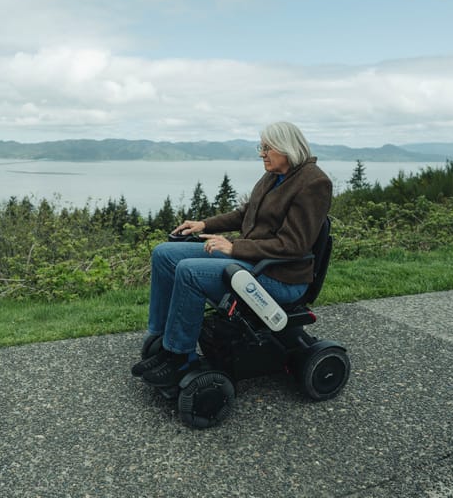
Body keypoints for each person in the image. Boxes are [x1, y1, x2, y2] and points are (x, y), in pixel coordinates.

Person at [131, 121, 332, 387]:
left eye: (267, 148)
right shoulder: (274, 176)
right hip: (253, 262)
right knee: (164, 254)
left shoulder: (314, 183)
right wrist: (204, 225)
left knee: (189, 271)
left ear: (286, 148)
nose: (262, 153)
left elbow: (293, 245)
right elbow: (244, 214)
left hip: (280, 277)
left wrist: (234, 247)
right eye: (261, 147)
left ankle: (181, 358)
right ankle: (162, 339)